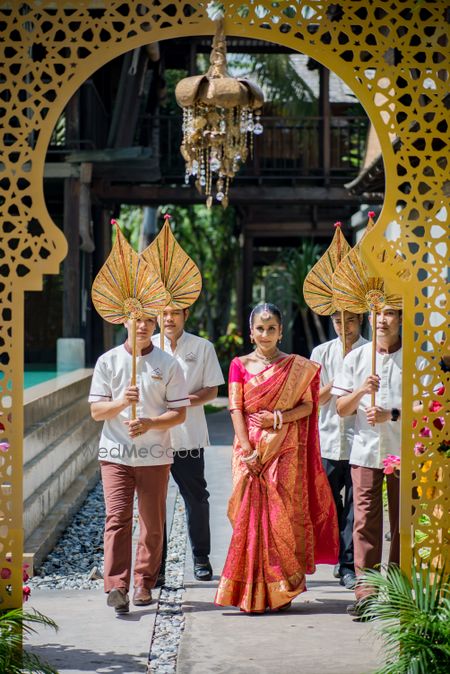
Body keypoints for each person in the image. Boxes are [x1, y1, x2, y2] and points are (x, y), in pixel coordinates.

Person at [215, 303, 339, 613]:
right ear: (251, 332)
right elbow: (236, 409)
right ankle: (247, 590)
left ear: (281, 332)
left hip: (284, 449)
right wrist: (247, 450)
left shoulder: (295, 367)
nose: (266, 334)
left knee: (282, 515)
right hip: (249, 450)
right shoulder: (239, 365)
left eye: (272, 328)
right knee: (248, 516)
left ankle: (281, 587)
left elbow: (309, 407)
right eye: (260, 328)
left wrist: (278, 419)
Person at [89, 317, 189, 614]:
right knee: (117, 518)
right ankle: (117, 586)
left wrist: (150, 424)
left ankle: (144, 582)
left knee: (151, 523)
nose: (142, 326)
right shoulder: (108, 361)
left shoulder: (168, 364)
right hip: (115, 454)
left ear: (155, 324)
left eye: (148, 320)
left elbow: (179, 413)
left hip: (155, 455)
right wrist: (122, 402)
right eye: (137, 320)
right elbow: (96, 411)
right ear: (125, 322)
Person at [333, 307, 402, 617]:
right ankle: (367, 593)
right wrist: (362, 389)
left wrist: (392, 414)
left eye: (389, 313)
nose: (383, 320)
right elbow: (341, 408)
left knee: (404, 523)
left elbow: (428, 405)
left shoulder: (415, 361)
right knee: (364, 522)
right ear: (370, 319)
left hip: (404, 451)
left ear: (400, 318)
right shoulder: (357, 358)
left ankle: (402, 589)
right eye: (377, 314)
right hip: (364, 450)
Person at [153, 307, 224, 581]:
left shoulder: (202, 347)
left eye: (175, 313)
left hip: (188, 435)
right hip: (154, 436)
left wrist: (181, 402)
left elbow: (212, 390)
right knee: (153, 501)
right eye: (163, 313)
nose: (169, 319)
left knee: (196, 498)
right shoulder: (146, 347)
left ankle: (201, 558)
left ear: (186, 315)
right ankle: (156, 566)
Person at [310, 311, 367, 590]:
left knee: (355, 508)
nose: (344, 327)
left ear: (362, 319)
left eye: (351, 320)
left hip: (360, 440)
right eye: (337, 321)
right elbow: (314, 399)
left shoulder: (370, 352)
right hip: (328, 439)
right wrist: (339, 380)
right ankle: (337, 556)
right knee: (331, 504)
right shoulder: (320, 353)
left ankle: (347, 565)